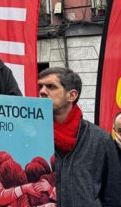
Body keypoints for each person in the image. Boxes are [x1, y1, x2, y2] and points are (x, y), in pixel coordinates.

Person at [38, 67, 121, 206]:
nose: (42, 91)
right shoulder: (35, 137)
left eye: (51, 86)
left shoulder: (100, 139)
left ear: (72, 95)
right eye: (40, 86)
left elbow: (113, 195)